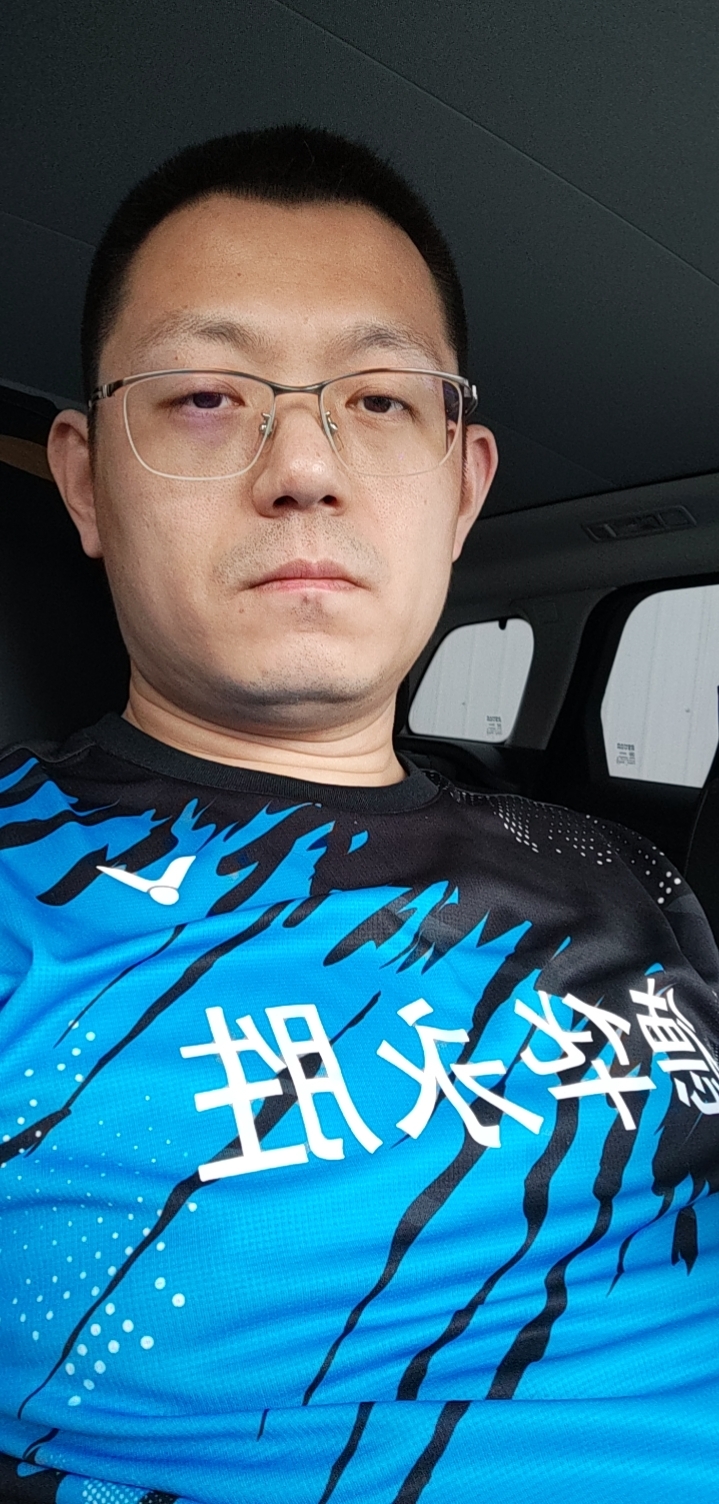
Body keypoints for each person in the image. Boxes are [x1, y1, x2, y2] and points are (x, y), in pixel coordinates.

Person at [0, 125, 717, 1504]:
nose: (303, 468)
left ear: (463, 485)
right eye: (206, 397)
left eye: (379, 400)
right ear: (84, 481)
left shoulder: (624, 875)